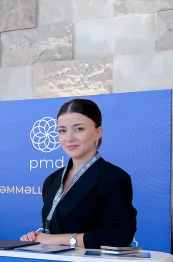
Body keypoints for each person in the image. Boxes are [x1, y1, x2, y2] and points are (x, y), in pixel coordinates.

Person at [21, 99, 137, 250]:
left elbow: (119, 236)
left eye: (79, 129)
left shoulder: (114, 178)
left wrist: (57, 239)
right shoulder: (52, 181)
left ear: (98, 133)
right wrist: (38, 237)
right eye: (62, 131)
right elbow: (54, 228)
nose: (69, 138)